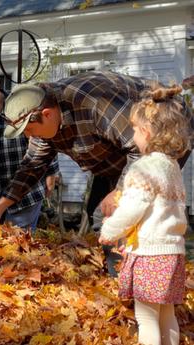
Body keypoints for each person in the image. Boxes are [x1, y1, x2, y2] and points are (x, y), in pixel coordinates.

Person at [0, 71, 192, 275]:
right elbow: (31, 167)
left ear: (47, 114)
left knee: (128, 214)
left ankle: (146, 282)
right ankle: (123, 277)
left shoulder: (94, 102)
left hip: (164, 133)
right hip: (117, 155)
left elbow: (141, 151)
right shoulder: (44, 123)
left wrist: (120, 192)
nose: (28, 136)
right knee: (99, 210)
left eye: (28, 130)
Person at [99, 85, 189, 345]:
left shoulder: (144, 168)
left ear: (146, 132)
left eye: (135, 130)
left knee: (146, 317)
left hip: (150, 254)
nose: (133, 136)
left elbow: (132, 210)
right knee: (166, 313)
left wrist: (109, 231)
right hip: (173, 252)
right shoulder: (172, 167)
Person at [0, 68, 58, 231]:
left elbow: (43, 136)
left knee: (17, 245)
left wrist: (51, 171)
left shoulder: (17, 105)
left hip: (24, 187)